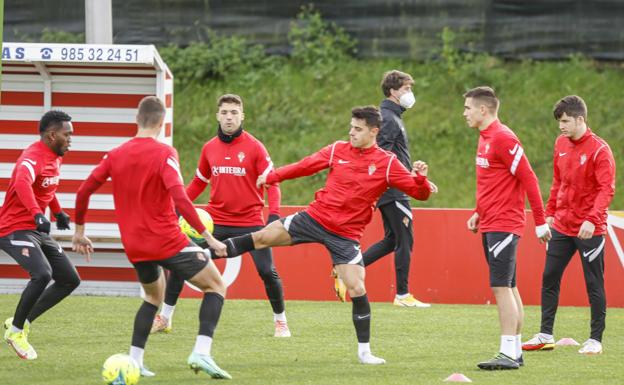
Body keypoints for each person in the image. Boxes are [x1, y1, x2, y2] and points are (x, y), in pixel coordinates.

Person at [215, 106, 434, 364]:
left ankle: (365, 352)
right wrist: (272, 176)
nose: (351, 132)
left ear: (374, 132)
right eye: (351, 127)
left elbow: (420, 193)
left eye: (358, 129)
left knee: (357, 287)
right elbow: (305, 166)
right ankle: (206, 252)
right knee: (261, 237)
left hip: (345, 235)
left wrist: (420, 179)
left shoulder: (387, 163)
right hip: (314, 218)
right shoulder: (336, 150)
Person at [71, 96, 232, 379]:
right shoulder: (164, 153)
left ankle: (134, 361)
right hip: (166, 239)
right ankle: (201, 352)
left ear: (137, 119)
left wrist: (80, 232)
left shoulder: (116, 153)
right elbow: (180, 198)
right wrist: (209, 237)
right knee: (216, 286)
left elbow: (83, 191)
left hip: (134, 245)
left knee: (152, 297)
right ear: (161, 122)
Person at [151, 94, 290, 338]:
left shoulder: (255, 147)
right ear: (218, 115)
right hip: (215, 224)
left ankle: (281, 322)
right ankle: (165, 317)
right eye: (225, 112)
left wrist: (274, 215)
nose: (229, 117)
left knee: (267, 271)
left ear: (242, 116)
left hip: (251, 224)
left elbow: (273, 183)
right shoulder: (209, 148)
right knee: (181, 263)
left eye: (234, 112)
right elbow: (197, 183)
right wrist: (175, 206)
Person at [463, 86, 551, 370]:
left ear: (483, 110)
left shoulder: (502, 137)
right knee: (509, 287)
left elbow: (530, 179)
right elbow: (493, 182)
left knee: (501, 288)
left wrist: (540, 221)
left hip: (504, 223)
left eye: (467, 108)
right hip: (491, 221)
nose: (464, 113)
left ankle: (508, 353)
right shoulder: (484, 137)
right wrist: (478, 212)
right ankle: (514, 351)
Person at [522, 95, 615, 355]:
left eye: (564, 121)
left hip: (590, 229)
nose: (560, 126)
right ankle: (545, 335)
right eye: (559, 122)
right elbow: (557, 181)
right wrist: (549, 213)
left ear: (580, 119)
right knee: (549, 277)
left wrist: (592, 219)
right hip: (562, 225)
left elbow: (606, 190)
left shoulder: (600, 150)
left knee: (593, 283)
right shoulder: (560, 143)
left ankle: (595, 340)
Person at [343, 69, 431, 307]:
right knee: (405, 240)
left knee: (393, 240)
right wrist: (403, 180)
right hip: (393, 190)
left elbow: (392, 157)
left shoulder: (393, 117)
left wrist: (413, 177)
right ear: (393, 91)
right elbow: (380, 155)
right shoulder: (389, 119)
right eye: (406, 89)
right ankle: (403, 295)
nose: (410, 93)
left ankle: (345, 271)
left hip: (396, 186)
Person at [0, 110, 80, 360]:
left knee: (69, 279)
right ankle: (15, 332)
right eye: (67, 135)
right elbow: (23, 182)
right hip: (14, 227)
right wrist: (37, 213)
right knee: (43, 274)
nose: (70, 139)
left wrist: (58, 212)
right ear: (51, 134)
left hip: (36, 229)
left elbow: (46, 186)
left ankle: (20, 321)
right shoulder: (31, 157)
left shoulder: (56, 156)